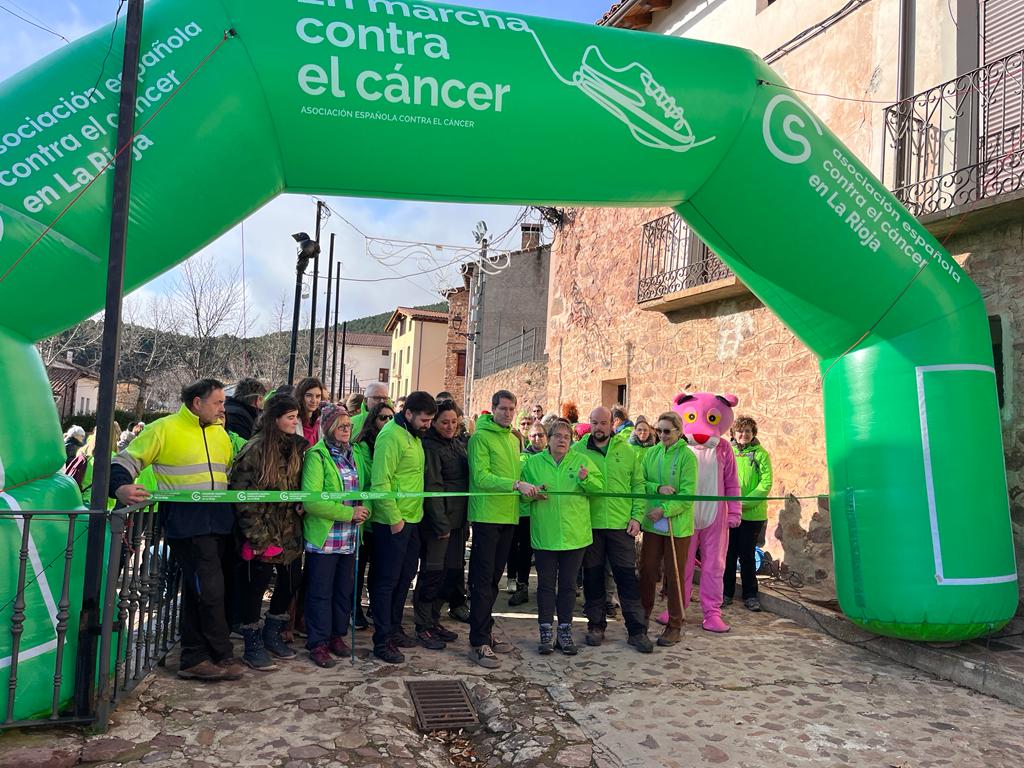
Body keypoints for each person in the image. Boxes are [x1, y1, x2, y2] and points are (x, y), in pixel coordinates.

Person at [110, 379, 241, 681]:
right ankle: (218, 653)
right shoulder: (163, 428)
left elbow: (227, 475)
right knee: (209, 590)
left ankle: (196, 657)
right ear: (197, 402)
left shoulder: (220, 434)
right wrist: (120, 487)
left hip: (218, 523)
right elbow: (126, 461)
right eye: (218, 402)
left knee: (200, 591)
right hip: (187, 524)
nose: (223, 408)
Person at [229, 394, 306, 671]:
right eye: (290, 417)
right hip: (262, 532)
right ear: (275, 419)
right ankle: (251, 642)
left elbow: (300, 486)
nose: (295, 421)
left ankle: (272, 632)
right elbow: (241, 495)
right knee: (255, 587)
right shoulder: (255, 449)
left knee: (290, 581)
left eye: (296, 417)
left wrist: (301, 502)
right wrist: (257, 536)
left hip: (289, 532)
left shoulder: (297, 448)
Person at [466, 390, 541, 669]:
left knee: (495, 580)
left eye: (512, 409)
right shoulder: (479, 438)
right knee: (482, 581)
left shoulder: (513, 439)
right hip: (486, 518)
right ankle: (478, 642)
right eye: (504, 409)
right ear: (493, 409)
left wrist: (529, 491)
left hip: (509, 517)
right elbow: (481, 476)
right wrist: (514, 485)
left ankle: (485, 632)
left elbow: (517, 478)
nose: (508, 414)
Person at [574, 407, 653, 653]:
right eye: (595, 422)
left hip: (621, 527)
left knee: (627, 579)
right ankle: (596, 626)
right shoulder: (577, 452)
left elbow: (638, 486)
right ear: (590, 424)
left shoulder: (627, 451)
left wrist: (637, 518)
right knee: (593, 578)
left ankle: (637, 631)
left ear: (612, 424)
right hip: (591, 526)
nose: (599, 427)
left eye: (604, 423)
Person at [520, 418, 602, 654]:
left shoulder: (582, 461)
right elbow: (522, 496)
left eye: (567, 437)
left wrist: (586, 479)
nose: (563, 440)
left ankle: (564, 632)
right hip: (545, 534)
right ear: (548, 439)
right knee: (545, 586)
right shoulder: (534, 463)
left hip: (574, 535)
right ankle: (545, 631)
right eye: (558, 436)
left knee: (567, 586)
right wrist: (531, 495)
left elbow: (599, 489)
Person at [369, 391, 437, 664]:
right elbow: (380, 483)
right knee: (386, 582)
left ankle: (394, 628)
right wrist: (395, 518)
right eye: (424, 419)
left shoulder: (414, 436)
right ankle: (382, 640)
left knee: (403, 579)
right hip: (392, 523)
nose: (428, 425)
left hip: (412, 520)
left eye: (431, 420)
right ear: (408, 414)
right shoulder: (391, 436)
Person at [301, 404, 371, 667]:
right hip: (326, 538)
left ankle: (336, 636)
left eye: (349, 426)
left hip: (350, 538)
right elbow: (312, 501)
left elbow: (365, 490)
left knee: (344, 591)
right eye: (341, 426)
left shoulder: (355, 455)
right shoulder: (316, 457)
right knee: (320, 592)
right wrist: (348, 514)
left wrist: (364, 511)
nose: (346, 430)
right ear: (328, 427)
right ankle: (317, 642)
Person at [638, 412, 697, 647]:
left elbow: (688, 494)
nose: (662, 435)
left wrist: (665, 509)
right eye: (659, 430)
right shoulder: (650, 453)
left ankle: (674, 625)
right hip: (653, 523)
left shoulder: (687, 457)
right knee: (647, 571)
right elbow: (641, 483)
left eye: (667, 431)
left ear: (679, 432)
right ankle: (641, 619)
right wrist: (659, 487)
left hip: (677, 526)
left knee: (674, 576)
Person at [414, 399, 467, 650]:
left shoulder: (457, 443)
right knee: (432, 573)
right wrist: (441, 523)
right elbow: (432, 485)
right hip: (439, 523)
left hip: (457, 522)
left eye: (453, 422)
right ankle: (423, 625)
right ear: (434, 422)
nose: (449, 426)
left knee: (449, 572)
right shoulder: (430, 447)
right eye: (444, 422)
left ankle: (433, 620)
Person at [352, 400, 395, 629]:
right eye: (382, 418)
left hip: (384, 516)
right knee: (358, 568)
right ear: (372, 420)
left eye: (390, 417)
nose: (387, 421)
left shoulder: (392, 443)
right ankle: (354, 608)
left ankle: (375, 607)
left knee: (379, 568)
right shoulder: (360, 447)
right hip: (365, 517)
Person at [725, 416, 773, 612]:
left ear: (753, 434)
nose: (743, 435)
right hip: (729, 513)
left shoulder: (761, 454)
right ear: (733, 433)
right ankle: (725, 593)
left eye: (747, 431)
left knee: (746, 555)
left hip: (752, 515)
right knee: (728, 555)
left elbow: (766, 483)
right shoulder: (727, 452)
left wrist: (744, 503)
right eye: (740, 431)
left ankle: (750, 595)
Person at [507, 422, 546, 606]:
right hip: (525, 511)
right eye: (534, 436)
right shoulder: (522, 458)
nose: (537, 439)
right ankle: (522, 586)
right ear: (528, 438)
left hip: (546, 510)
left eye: (540, 435)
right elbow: (520, 480)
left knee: (546, 552)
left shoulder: (551, 458)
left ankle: (547, 589)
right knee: (524, 551)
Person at [294, 377, 326, 446]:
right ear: (300, 396)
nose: (314, 400)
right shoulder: (293, 420)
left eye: (318, 396)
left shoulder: (321, 419)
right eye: (309, 395)